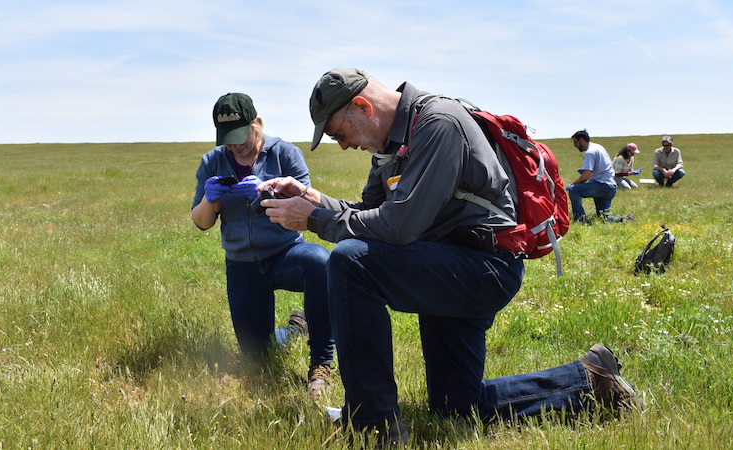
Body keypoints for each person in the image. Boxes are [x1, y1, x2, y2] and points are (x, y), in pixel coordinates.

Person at [256, 68, 639, 445]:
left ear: (362, 107)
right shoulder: (390, 145)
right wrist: (312, 198)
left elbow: (398, 227)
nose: (343, 145)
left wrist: (315, 220)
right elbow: (368, 211)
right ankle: (590, 380)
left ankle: (373, 426)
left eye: (340, 133)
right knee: (457, 406)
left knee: (350, 261)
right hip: (446, 264)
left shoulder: (438, 124)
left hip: (484, 268)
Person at [190, 93, 334, 398]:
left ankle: (321, 363)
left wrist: (269, 192)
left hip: (286, 254)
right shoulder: (212, 161)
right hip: (242, 265)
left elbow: (306, 210)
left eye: (242, 135)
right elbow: (201, 222)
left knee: (320, 262)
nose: (236, 145)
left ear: (258, 123)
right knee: (257, 361)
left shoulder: (285, 154)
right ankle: (295, 329)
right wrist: (210, 197)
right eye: (228, 139)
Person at [566, 130, 633, 223]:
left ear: (581, 140)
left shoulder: (590, 152)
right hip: (611, 187)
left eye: (575, 143)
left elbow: (585, 177)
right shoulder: (598, 147)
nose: (575, 146)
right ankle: (625, 219)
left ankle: (580, 220)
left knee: (574, 190)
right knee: (603, 218)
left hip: (602, 185)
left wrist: (571, 185)